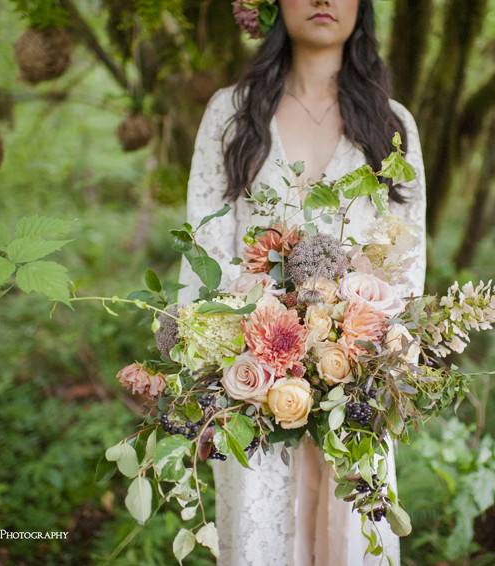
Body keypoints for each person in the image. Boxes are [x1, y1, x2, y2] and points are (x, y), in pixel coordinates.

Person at [177, 0, 426, 563]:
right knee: (257, 533)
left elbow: (407, 264)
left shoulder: (392, 124)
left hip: (355, 382)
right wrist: (209, 371)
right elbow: (203, 251)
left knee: (352, 535)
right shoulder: (231, 115)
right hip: (251, 384)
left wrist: (372, 357)